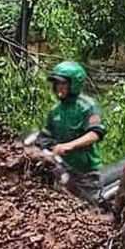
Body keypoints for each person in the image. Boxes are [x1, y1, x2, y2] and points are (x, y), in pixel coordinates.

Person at [42, 61, 105, 204]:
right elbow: (46, 135)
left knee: (90, 211)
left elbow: (95, 133)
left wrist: (69, 146)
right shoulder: (55, 110)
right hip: (62, 172)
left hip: (85, 174)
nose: (59, 88)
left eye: (63, 84)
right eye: (57, 84)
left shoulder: (87, 106)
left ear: (74, 84)